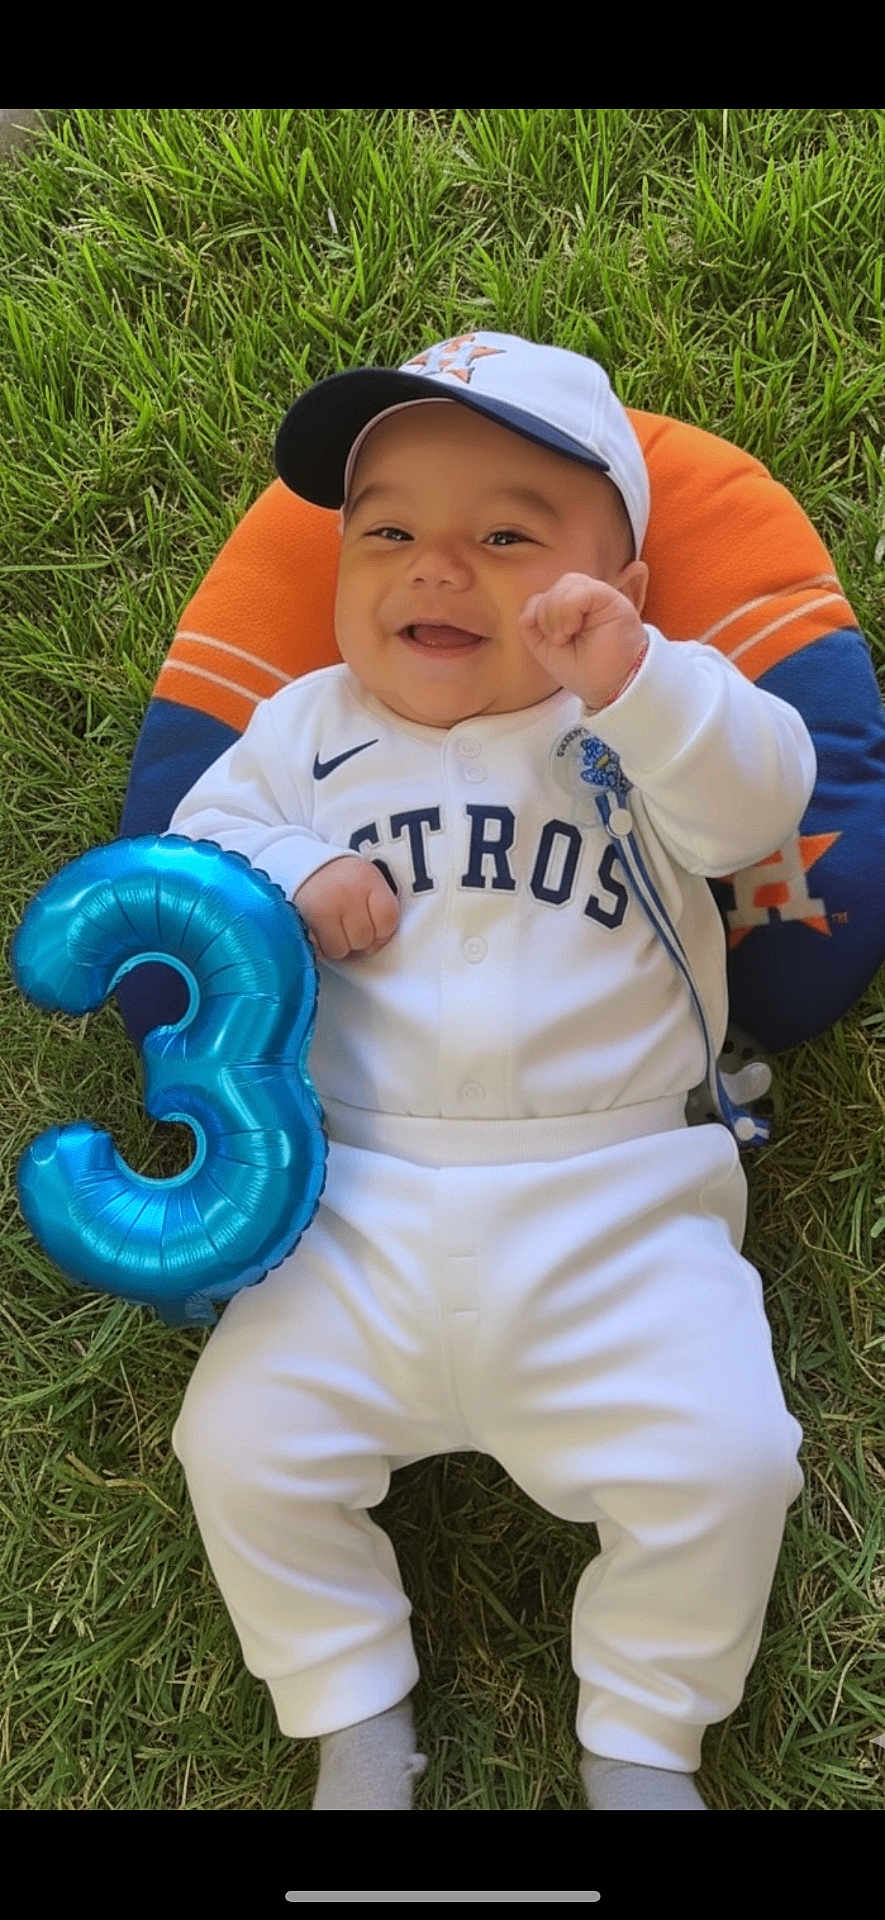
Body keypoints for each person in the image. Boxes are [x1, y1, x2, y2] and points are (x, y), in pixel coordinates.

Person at [166, 331, 813, 1810]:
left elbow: (758, 803)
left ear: (624, 590)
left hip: (616, 1205)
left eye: (505, 536)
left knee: (726, 1466)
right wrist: (288, 861)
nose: (433, 568)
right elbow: (188, 851)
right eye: (383, 531)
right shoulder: (302, 732)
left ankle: (646, 1739)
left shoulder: (645, 715)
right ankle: (350, 1711)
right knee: (238, 1445)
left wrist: (640, 680)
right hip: (348, 1206)